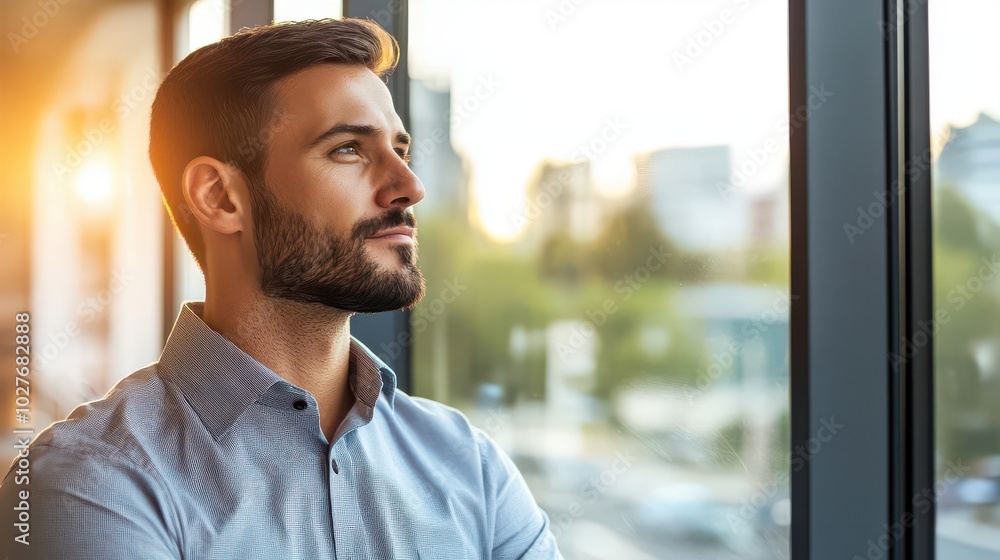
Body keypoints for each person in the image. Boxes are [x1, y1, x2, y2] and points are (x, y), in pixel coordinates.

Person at [0, 17, 563, 559]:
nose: (408, 186)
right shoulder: (89, 482)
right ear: (219, 198)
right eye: (348, 148)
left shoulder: (471, 466)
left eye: (401, 149)